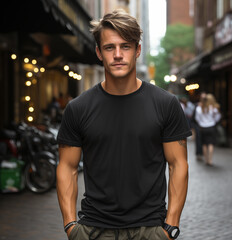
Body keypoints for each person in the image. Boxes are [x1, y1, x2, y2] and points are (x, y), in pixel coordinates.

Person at [56, 9, 192, 240]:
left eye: (125, 46)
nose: (118, 54)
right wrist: (71, 226)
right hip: (93, 230)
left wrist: (170, 227)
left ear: (137, 50)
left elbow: (178, 164)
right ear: (99, 52)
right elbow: (67, 167)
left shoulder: (165, 104)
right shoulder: (78, 108)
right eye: (110, 47)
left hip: (150, 229)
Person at [195, 93, 221, 166]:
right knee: (211, 144)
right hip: (211, 127)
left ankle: (206, 160)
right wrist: (213, 122)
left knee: (204, 144)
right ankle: (210, 160)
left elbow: (197, 118)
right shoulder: (213, 108)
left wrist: (201, 123)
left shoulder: (199, 108)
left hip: (203, 127)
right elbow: (218, 117)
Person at [191, 91, 206, 161]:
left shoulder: (209, 105)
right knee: (199, 140)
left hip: (206, 126)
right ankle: (199, 153)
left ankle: (205, 155)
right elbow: (194, 117)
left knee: (206, 141)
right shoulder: (197, 106)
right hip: (198, 126)